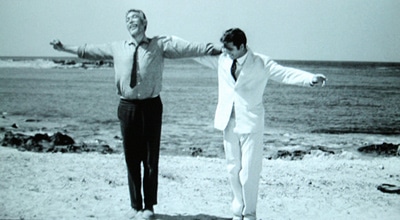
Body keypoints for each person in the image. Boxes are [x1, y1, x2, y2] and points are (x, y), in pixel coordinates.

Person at [50, 9, 220, 219]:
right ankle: (135, 205)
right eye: (127, 20)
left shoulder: (159, 44)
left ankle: (149, 206)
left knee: (150, 160)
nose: (131, 22)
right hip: (127, 106)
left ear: (144, 23)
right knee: (131, 159)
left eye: (135, 19)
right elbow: (89, 51)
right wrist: (63, 47)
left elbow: (187, 48)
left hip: (151, 106)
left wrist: (214, 49)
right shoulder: (117, 47)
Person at [195, 28, 326, 220]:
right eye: (224, 48)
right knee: (232, 169)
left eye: (230, 49)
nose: (226, 52)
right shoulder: (222, 60)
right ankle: (237, 210)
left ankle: (250, 214)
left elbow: (284, 73)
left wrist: (310, 79)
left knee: (249, 172)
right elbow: (196, 54)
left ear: (242, 46)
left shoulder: (261, 62)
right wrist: (170, 49)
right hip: (227, 121)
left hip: (251, 122)